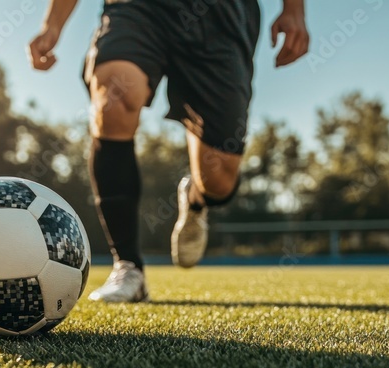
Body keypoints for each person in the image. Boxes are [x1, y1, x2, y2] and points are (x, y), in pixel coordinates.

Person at [28, 0, 310, 302]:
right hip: (138, 9)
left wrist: (294, 10)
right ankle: (128, 266)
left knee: (219, 178)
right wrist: (51, 25)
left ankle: (197, 198)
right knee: (113, 98)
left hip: (221, 15)